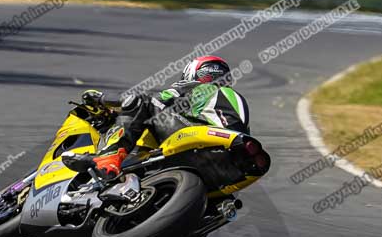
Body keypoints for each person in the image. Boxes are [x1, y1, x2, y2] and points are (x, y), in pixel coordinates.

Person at [61, 55, 253, 180]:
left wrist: (102, 99)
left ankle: (109, 157)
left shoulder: (199, 87)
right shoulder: (235, 99)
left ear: (194, 73)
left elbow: (152, 100)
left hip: (203, 141)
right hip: (233, 164)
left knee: (141, 101)